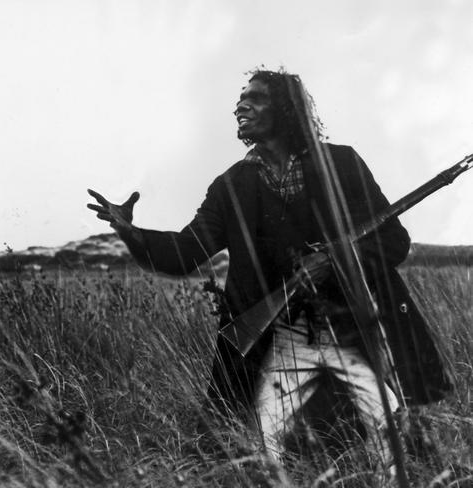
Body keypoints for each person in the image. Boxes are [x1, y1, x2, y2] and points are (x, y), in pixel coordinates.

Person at [87, 70, 453, 471]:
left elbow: (393, 241)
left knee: (389, 442)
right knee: (267, 448)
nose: (240, 106)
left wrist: (336, 261)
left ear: (285, 107)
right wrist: (131, 233)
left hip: (355, 329)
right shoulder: (230, 186)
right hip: (281, 337)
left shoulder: (342, 165)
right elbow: (184, 254)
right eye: (240, 99)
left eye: (255, 98)